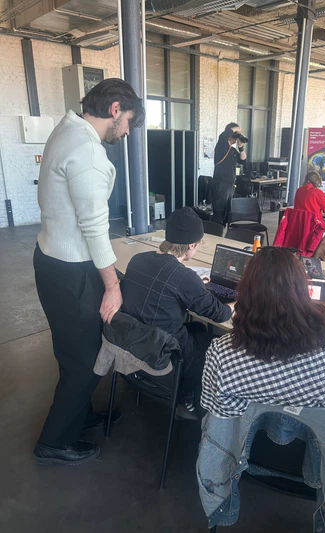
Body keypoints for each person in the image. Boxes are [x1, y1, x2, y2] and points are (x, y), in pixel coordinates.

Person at [33, 78, 145, 465]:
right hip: (72, 269)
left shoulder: (66, 129)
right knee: (84, 360)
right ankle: (54, 442)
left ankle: (79, 416)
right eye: (129, 122)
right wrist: (112, 286)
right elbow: (94, 228)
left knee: (71, 353)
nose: (127, 132)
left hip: (51, 259)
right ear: (115, 109)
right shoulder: (89, 152)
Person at [201, 247, 325, 422]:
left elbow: (217, 414)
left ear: (245, 290)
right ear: (303, 288)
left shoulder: (222, 354)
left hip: (258, 436)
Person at [121, 207, 233, 419]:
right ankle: (186, 397)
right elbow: (220, 314)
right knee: (214, 346)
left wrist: (194, 285)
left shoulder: (137, 259)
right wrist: (235, 304)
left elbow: (166, 283)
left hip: (137, 341)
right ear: (192, 245)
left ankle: (183, 386)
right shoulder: (183, 276)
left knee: (198, 327)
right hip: (166, 351)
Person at [211, 122, 247, 225]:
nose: (236, 137)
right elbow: (223, 135)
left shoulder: (232, 150)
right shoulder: (222, 145)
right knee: (219, 213)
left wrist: (241, 146)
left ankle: (223, 231)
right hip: (220, 184)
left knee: (226, 214)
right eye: (235, 134)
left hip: (230, 185)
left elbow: (243, 160)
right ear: (230, 133)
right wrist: (237, 129)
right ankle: (215, 232)